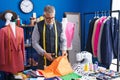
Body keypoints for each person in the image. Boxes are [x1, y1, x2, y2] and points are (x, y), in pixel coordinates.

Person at [32, 5, 67, 69]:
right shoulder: (38, 26)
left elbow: (63, 40)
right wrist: (44, 53)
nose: (50, 20)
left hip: (57, 59)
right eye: (48, 18)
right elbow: (34, 43)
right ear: (44, 16)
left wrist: (64, 50)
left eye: (52, 18)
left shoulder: (60, 25)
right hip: (43, 59)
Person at [0, 10, 25, 75]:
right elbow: (1, 47)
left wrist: (23, 59)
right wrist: (2, 61)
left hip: (19, 57)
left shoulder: (21, 30)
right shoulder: (3, 30)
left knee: (19, 76)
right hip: (9, 58)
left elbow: (22, 45)